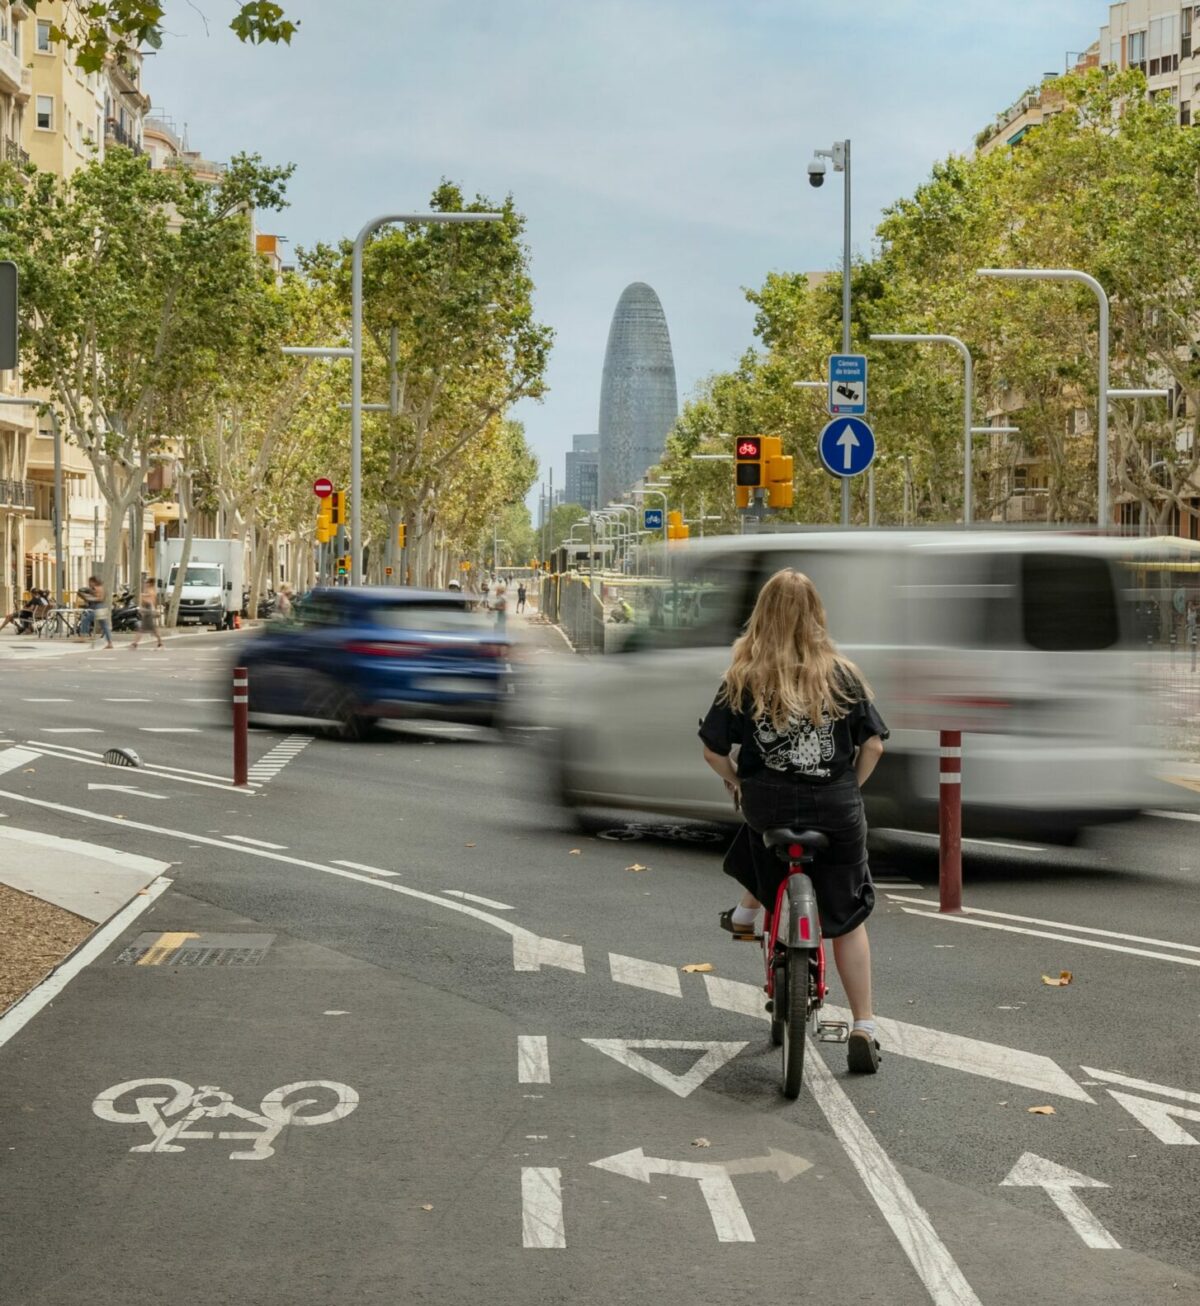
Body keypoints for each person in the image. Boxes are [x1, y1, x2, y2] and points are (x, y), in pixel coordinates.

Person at [698, 568, 888, 1074]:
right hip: (837, 804)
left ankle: (746, 913)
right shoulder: (842, 675)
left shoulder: (744, 675)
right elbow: (873, 744)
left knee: (761, 839)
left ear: (762, 616)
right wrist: (849, 787)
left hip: (768, 804)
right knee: (848, 912)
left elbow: (713, 750)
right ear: (817, 617)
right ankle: (865, 1024)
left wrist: (738, 779)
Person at [130, 578, 163, 650]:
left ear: (150, 584)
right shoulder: (148, 590)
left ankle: (135, 644)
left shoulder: (150, 591)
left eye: (147, 583)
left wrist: (143, 596)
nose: (145, 584)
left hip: (148, 611)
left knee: (146, 629)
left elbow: (150, 601)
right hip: (147, 611)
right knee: (150, 629)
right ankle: (160, 643)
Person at [85, 576, 114, 650]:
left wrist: (91, 598)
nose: (89, 584)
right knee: (104, 625)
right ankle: (110, 642)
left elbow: (100, 598)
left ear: (94, 582)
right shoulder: (99, 587)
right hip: (102, 607)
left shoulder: (98, 588)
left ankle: (84, 635)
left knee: (86, 619)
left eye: (90, 582)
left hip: (99, 607)